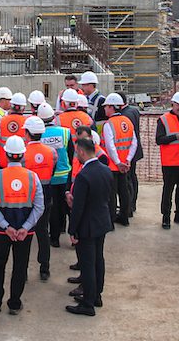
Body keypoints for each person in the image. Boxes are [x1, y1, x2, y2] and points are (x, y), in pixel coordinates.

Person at [0, 136, 44, 315]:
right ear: (23, 155)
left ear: (6, 154)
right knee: (20, 266)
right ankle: (14, 303)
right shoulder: (33, 177)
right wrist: (25, 227)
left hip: (3, 233)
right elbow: (39, 206)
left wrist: (6, 226)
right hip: (24, 234)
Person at [66, 136, 113, 316]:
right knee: (98, 260)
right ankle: (96, 296)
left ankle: (87, 303)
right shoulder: (105, 170)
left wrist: (73, 230)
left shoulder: (83, 176)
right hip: (101, 221)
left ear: (82, 152)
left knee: (87, 264)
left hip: (87, 225)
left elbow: (78, 208)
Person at [21, 115, 56, 281]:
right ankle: (44, 268)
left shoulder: (23, 154)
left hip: (27, 199)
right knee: (43, 233)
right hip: (46, 196)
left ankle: (23, 269)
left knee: (26, 234)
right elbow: (52, 172)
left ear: (27, 133)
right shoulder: (51, 153)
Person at [155, 91, 179, 230]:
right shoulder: (163, 119)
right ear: (173, 104)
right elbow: (159, 140)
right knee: (168, 191)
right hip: (170, 162)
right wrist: (176, 137)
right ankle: (166, 217)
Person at [38, 102, 73, 249]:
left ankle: (55, 238)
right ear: (53, 116)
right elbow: (71, 154)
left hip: (49, 177)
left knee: (54, 208)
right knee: (69, 207)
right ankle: (74, 236)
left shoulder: (38, 135)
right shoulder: (65, 132)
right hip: (65, 176)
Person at [101, 93, 136, 225]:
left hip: (113, 165)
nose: (104, 109)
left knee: (112, 194)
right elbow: (134, 142)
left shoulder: (108, 124)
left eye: (106, 107)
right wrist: (128, 160)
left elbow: (110, 146)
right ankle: (124, 217)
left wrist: (118, 162)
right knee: (124, 191)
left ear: (111, 107)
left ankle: (110, 220)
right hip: (125, 165)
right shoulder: (127, 121)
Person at [118, 95, 144, 216]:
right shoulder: (133, 110)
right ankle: (132, 204)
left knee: (128, 180)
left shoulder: (125, 115)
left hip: (128, 152)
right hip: (134, 150)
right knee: (132, 177)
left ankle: (129, 206)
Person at [0, 94, 29, 167]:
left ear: (11, 106)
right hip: (22, 162)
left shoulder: (1, 121)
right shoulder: (27, 122)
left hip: (4, 161)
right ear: (23, 108)